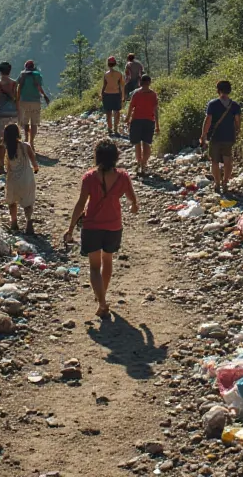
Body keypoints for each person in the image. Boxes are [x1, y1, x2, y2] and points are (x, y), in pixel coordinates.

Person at [64, 138, 138, 318]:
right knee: (108, 261)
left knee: (94, 267)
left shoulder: (89, 178)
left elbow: (81, 204)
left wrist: (71, 227)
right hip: (113, 225)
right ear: (116, 157)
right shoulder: (123, 177)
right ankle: (101, 300)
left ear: (97, 157)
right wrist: (133, 206)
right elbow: (132, 199)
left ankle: (102, 301)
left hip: (92, 227)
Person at [200, 80, 241, 195]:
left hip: (215, 137)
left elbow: (207, 120)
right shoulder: (235, 105)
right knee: (228, 161)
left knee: (215, 161)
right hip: (229, 137)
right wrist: (237, 131)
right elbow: (237, 121)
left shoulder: (213, 104)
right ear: (229, 90)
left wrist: (203, 135)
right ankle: (225, 183)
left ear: (218, 90)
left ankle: (217, 184)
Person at [3, 123, 39, 235]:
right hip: (26, 178)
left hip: (13, 180)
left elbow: (8, 166)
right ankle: (28, 222)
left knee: (12, 202)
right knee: (28, 202)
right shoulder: (26, 146)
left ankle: (14, 222)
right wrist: (36, 169)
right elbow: (34, 162)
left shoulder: (8, 148)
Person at [125, 74, 159, 177]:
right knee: (146, 143)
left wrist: (127, 118)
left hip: (137, 121)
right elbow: (156, 110)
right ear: (149, 82)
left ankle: (139, 163)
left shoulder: (136, 94)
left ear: (140, 82)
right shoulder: (153, 95)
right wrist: (158, 125)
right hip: (149, 121)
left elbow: (131, 107)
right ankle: (144, 165)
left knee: (137, 144)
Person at [17, 59, 50, 148]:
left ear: (25, 67)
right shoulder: (37, 75)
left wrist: (17, 99)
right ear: (33, 67)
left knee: (25, 121)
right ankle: (32, 142)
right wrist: (45, 96)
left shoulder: (22, 75)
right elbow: (39, 87)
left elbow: (19, 88)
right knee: (34, 122)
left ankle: (26, 138)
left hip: (24, 101)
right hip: (35, 101)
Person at [101, 56, 125, 136]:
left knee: (108, 113)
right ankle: (115, 129)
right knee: (117, 112)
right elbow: (122, 86)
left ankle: (109, 129)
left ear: (108, 64)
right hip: (116, 94)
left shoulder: (106, 74)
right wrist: (123, 96)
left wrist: (101, 95)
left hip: (107, 94)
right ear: (115, 64)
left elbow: (104, 86)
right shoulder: (119, 74)